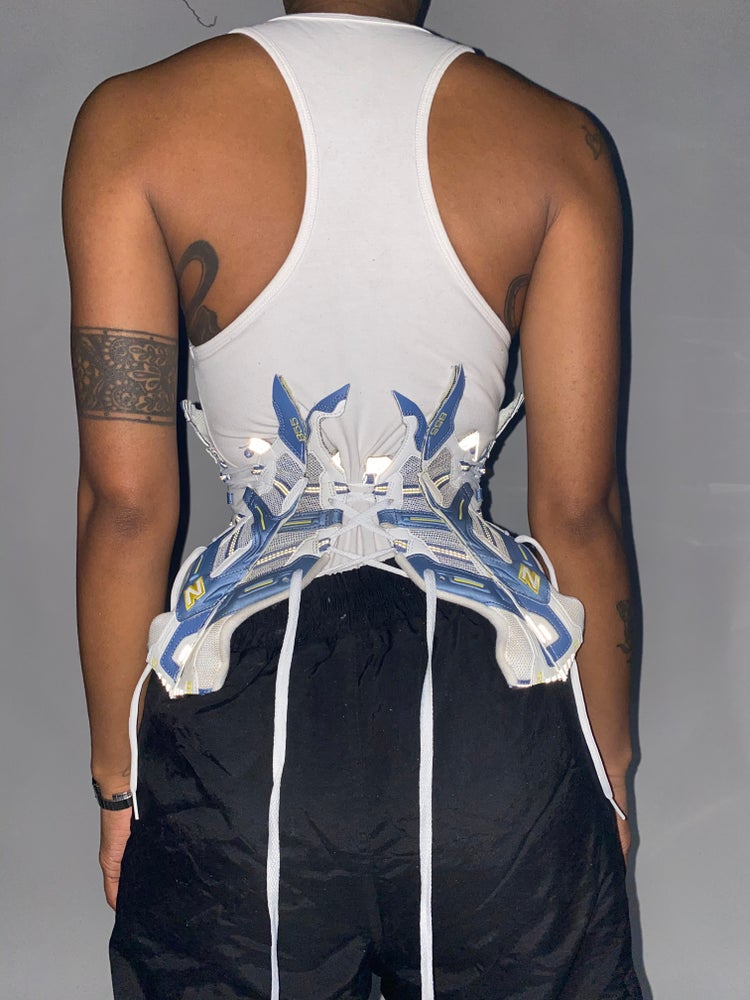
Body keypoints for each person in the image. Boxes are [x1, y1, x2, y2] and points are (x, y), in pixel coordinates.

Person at [64, 0, 642, 996]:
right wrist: (609, 774)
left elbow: (125, 504)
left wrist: (120, 785)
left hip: (241, 763)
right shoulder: (563, 145)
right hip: (497, 752)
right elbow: (581, 512)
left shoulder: (132, 124)